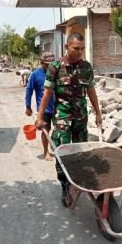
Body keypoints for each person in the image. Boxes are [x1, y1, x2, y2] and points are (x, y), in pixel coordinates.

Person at [36, 33, 103, 207]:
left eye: (82, 49)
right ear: (67, 47)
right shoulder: (55, 67)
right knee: (62, 152)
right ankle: (65, 185)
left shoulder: (86, 67)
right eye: (76, 48)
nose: (79, 52)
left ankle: (80, 180)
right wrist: (39, 116)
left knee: (81, 152)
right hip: (62, 117)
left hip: (81, 117)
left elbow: (91, 91)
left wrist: (98, 113)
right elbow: (47, 93)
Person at [26, 52, 56, 161]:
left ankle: (55, 144)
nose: (49, 67)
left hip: (57, 107)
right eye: (47, 64)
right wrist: (28, 106)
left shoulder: (56, 73)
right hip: (44, 110)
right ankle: (46, 152)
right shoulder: (35, 74)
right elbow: (29, 91)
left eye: (51, 64)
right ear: (41, 62)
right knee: (45, 130)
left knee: (60, 130)